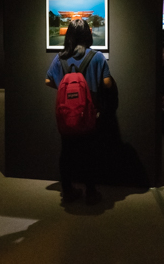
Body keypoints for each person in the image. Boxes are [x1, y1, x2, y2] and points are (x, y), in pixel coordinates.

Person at [46, 19, 113, 205]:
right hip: (89, 114)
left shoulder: (60, 58)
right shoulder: (97, 57)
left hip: (67, 115)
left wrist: (65, 88)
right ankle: (91, 192)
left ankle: (68, 191)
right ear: (88, 35)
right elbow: (107, 83)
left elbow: (47, 80)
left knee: (66, 152)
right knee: (89, 153)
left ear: (69, 36)